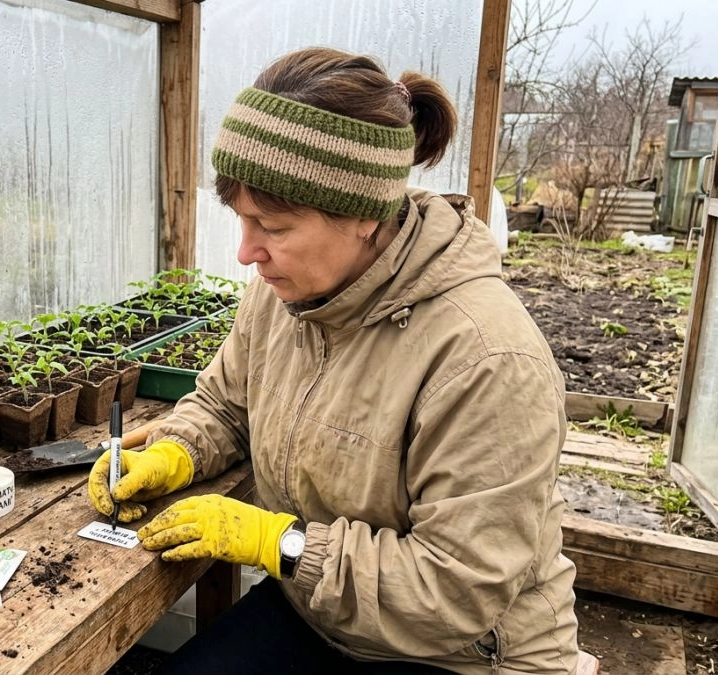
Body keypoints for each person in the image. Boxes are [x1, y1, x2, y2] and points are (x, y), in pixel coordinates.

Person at [89, 46, 578, 674]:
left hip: (461, 652)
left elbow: (456, 590)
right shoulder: (282, 294)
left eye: (273, 226)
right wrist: (176, 451)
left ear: (365, 218)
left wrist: (279, 541)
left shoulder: (486, 357)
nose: (246, 253)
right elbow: (226, 403)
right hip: (324, 614)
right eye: (241, 220)